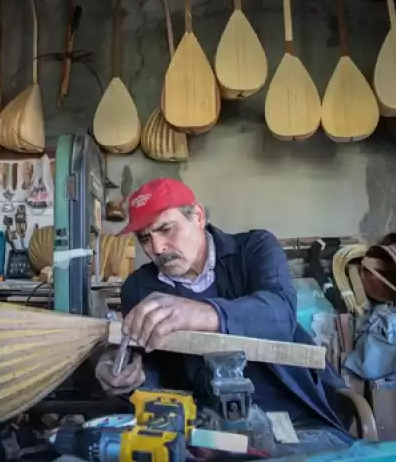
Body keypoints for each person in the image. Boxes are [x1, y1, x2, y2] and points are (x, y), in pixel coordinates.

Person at [94, 178, 355, 454]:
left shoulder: (254, 248)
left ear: (197, 217)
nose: (156, 248)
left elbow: (279, 313)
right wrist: (128, 374)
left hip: (292, 416)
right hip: (203, 427)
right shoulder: (138, 287)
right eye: (145, 238)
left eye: (165, 229)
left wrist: (202, 313)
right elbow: (151, 364)